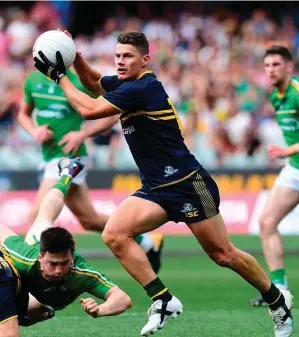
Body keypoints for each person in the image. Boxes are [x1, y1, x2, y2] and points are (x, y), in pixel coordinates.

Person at [33, 31, 294, 337]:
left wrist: (59, 74)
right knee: (115, 234)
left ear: (145, 60)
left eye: (127, 56)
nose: (120, 61)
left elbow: (88, 109)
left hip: (187, 183)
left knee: (224, 254)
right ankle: (163, 298)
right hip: (157, 187)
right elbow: (92, 84)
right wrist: (76, 56)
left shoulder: (142, 88)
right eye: (117, 55)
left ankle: (277, 301)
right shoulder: (127, 84)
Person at [17, 67, 164, 273]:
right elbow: (23, 114)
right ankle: (148, 241)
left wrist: (83, 133)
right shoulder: (32, 80)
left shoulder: (76, 83)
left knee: (37, 216)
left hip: (69, 158)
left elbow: (115, 112)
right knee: (89, 220)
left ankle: (38, 274)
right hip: (49, 157)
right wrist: (34, 130)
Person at [0, 157, 132, 337]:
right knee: (43, 218)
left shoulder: (82, 273)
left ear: (72, 257)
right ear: (41, 258)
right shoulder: (25, 257)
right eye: (52, 264)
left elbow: (123, 299)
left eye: (64, 263)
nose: (58, 270)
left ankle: (68, 172)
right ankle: (67, 174)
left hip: (44, 302)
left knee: (39, 312)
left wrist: (100, 310)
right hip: (31, 275)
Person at [249, 45, 299, 307]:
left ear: (289, 67)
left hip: (291, 159)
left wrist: (287, 150)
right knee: (267, 222)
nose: (270, 69)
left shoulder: (297, 92)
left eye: (276, 64)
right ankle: (279, 290)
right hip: (295, 169)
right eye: (267, 65)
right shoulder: (276, 96)